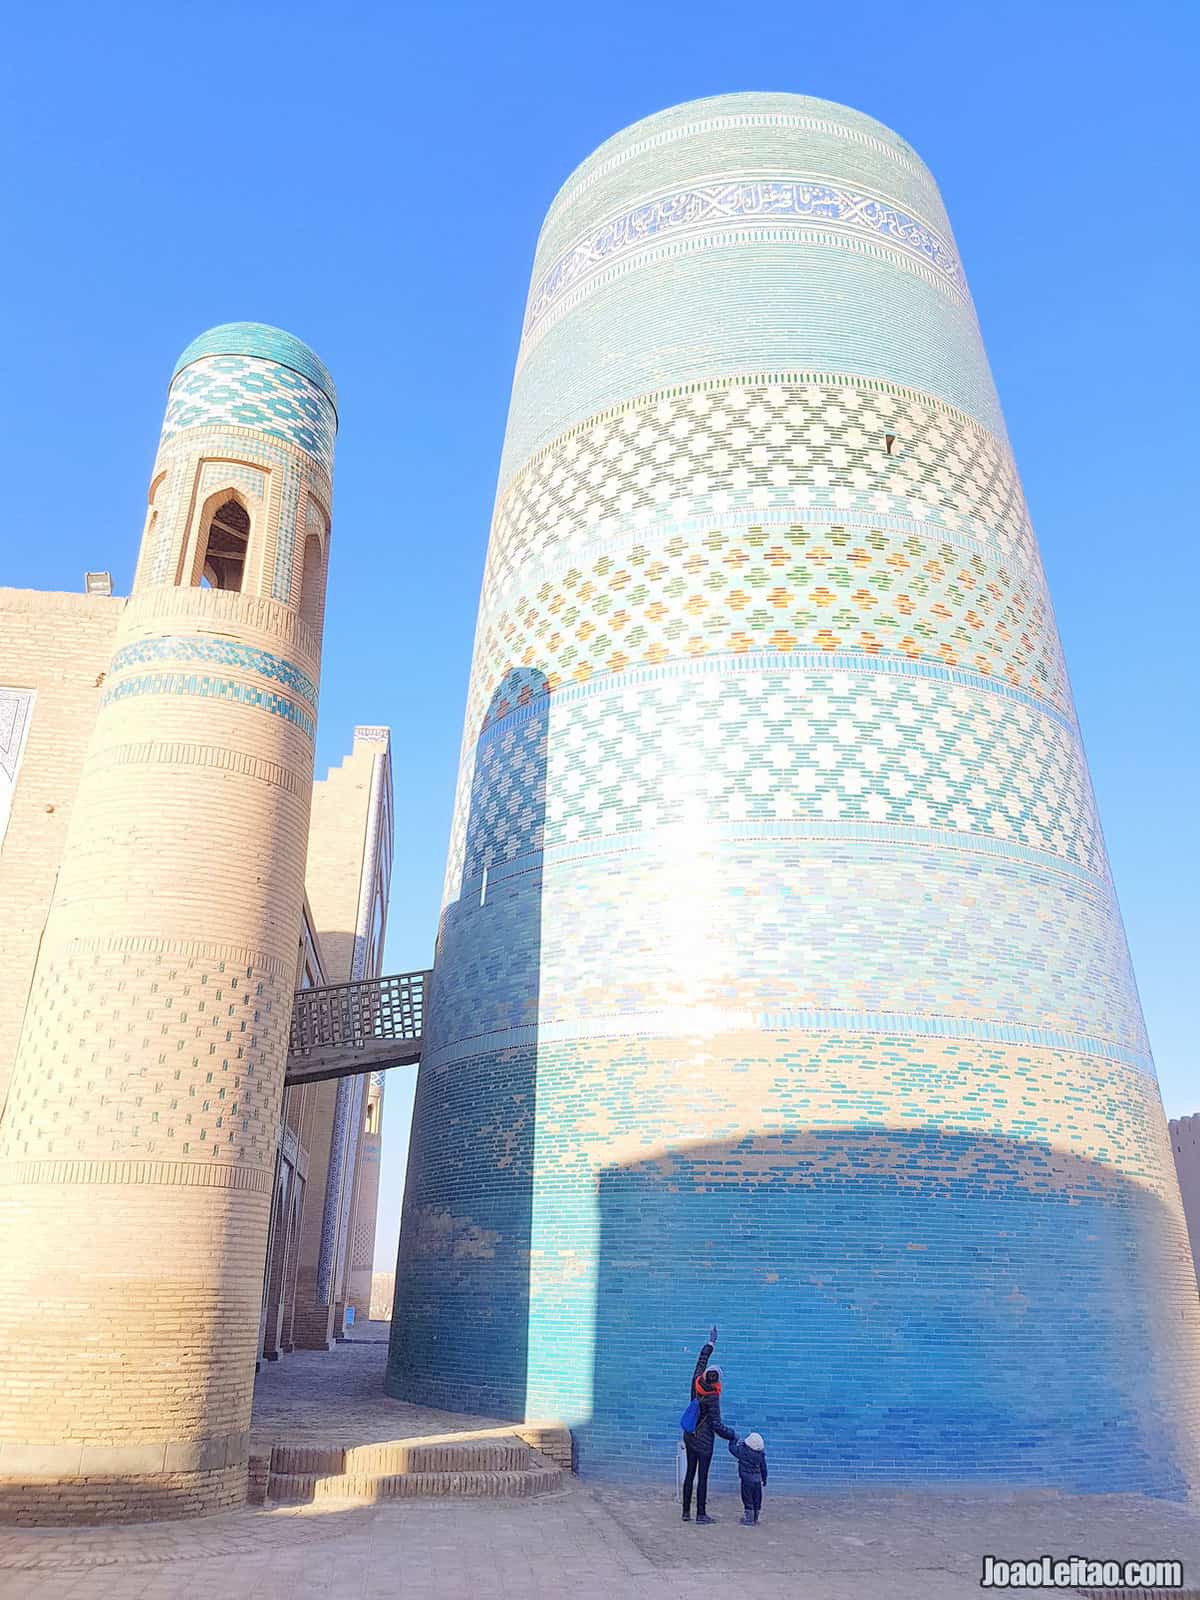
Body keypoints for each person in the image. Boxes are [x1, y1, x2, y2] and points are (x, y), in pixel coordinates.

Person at [681, 1324, 734, 1524]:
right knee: (702, 1477)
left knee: (689, 1473)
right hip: (704, 1443)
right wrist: (733, 1435)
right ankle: (701, 1514)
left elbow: (701, 1361)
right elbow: (718, 1426)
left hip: (690, 1435)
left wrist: (710, 1343)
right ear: (717, 1381)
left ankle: (686, 1512)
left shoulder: (695, 1382)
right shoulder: (713, 1398)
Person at [728, 1431, 768, 1525]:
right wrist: (764, 1479)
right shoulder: (761, 1455)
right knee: (757, 1499)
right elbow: (763, 1468)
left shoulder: (743, 1451)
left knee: (747, 1498)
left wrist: (733, 1440)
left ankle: (749, 1519)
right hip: (757, 1480)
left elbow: (732, 1449)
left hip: (746, 1480)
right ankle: (755, 1517)